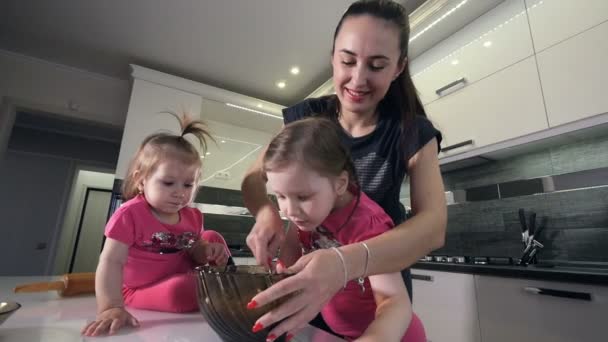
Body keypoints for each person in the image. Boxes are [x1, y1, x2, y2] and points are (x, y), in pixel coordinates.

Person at [242, 0, 447, 337]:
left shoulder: (411, 132)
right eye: (348, 61)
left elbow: (433, 226)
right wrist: (267, 214)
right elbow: (253, 179)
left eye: (377, 65)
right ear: (333, 58)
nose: (358, 78)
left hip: (377, 296)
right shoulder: (307, 120)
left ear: (398, 68)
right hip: (320, 304)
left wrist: (343, 263)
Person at [251, 118, 426, 341]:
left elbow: (395, 303)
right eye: (280, 196)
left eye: (303, 197)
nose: (289, 210)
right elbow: (289, 265)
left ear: (340, 184)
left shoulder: (368, 223)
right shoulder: (306, 216)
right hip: (340, 333)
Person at [82, 113, 232, 337]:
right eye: (168, 183)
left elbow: (195, 251)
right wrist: (111, 306)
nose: (179, 193)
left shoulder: (192, 216)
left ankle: (226, 284)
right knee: (181, 291)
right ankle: (223, 288)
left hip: (184, 272)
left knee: (212, 236)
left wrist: (206, 251)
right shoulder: (130, 214)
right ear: (142, 180)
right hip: (140, 288)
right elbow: (111, 261)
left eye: (188, 184)